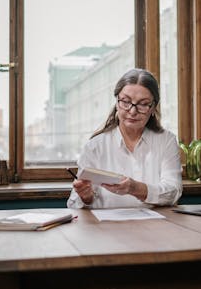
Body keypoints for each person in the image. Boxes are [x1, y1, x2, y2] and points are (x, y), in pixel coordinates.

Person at [67, 68, 183, 209]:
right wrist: (86, 197)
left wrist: (135, 188)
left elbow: (173, 191)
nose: (132, 111)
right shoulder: (95, 146)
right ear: (117, 103)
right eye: (126, 102)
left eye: (143, 104)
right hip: (107, 228)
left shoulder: (166, 141)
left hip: (155, 227)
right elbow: (73, 203)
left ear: (153, 108)